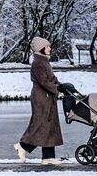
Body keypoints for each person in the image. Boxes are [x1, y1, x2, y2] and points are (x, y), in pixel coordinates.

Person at [15, 36, 63, 165]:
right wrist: (57, 88)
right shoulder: (38, 63)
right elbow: (44, 82)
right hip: (41, 98)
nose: (49, 48)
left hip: (46, 97)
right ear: (40, 48)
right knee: (41, 125)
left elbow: (51, 79)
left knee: (49, 125)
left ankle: (48, 157)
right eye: (47, 46)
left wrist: (61, 85)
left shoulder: (43, 61)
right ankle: (23, 146)